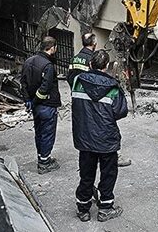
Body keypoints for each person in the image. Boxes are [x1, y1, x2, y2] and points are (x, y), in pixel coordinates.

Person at [72, 49, 128, 222]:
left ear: (90, 64)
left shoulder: (77, 82)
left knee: (86, 174)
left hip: (85, 137)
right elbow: (121, 112)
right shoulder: (112, 87)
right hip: (106, 139)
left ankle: (83, 209)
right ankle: (105, 208)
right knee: (108, 174)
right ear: (106, 66)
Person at [68, 32, 132, 167]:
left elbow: (70, 77)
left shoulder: (75, 59)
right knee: (100, 125)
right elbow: (120, 111)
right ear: (94, 43)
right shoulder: (93, 59)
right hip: (96, 97)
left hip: (80, 96)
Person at [21, 36, 62, 174]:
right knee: (47, 133)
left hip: (35, 106)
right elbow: (45, 88)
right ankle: (44, 162)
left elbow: (23, 83)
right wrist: (36, 101)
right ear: (52, 48)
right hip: (46, 105)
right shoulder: (47, 66)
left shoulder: (28, 61)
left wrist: (29, 101)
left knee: (39, 132)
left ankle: (41, 157)